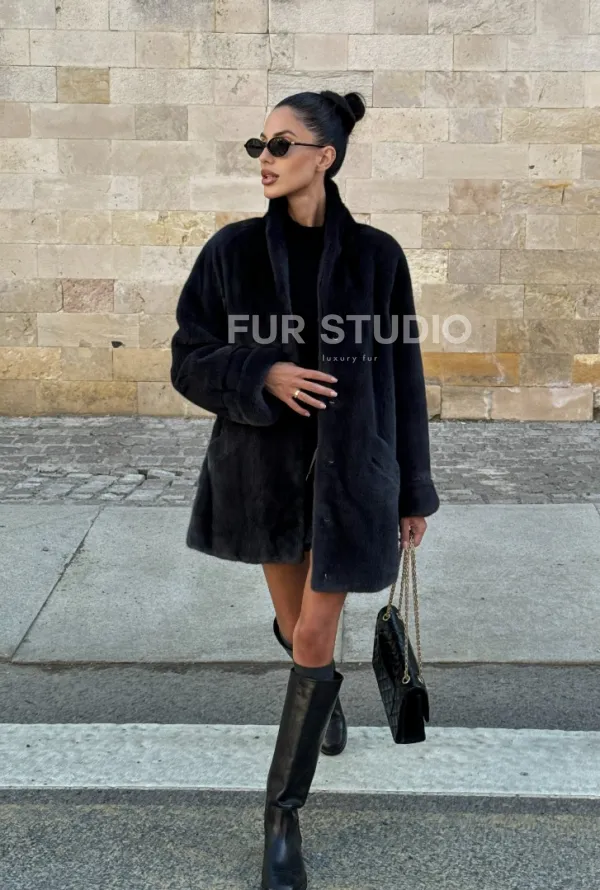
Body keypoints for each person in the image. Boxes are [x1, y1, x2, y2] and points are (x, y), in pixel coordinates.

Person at [170, 88, 440, 890]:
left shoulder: (378, 258)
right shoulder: (230, 253)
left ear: (325, 157)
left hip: (355, 478)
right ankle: (318, 694)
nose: (266, 158)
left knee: (317, 633)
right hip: (263, 479)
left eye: (282, 145)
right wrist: (263, 372)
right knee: (298, 633)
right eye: (259, 145)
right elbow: (187, 358)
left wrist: (414, 491)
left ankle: (281, 818)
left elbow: (403, 375)